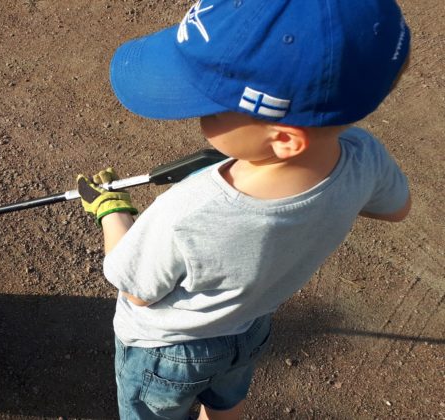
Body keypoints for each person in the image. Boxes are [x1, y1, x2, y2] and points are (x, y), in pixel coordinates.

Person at [75, 1, 412, 419]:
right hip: (249, 329)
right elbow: (396, 209)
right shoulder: (365, 157)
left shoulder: (187, 209)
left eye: (213, 108)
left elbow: (136, 291)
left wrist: (112, 211)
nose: (198, 116)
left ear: (284, 140)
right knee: (227, 404)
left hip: (166, 352)